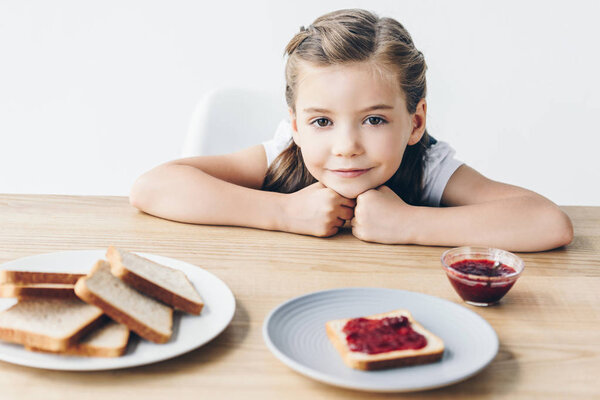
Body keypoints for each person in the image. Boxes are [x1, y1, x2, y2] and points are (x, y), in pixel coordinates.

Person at [129, 9, 573, 252]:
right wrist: (283, 214)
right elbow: (152, 187)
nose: (346, 147)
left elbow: (547, 223)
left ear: (414, 123)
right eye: (322, 122)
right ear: (296, 125)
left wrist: (409, 223)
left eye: (375, 120)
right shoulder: (283, 152)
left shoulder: (430, 166)